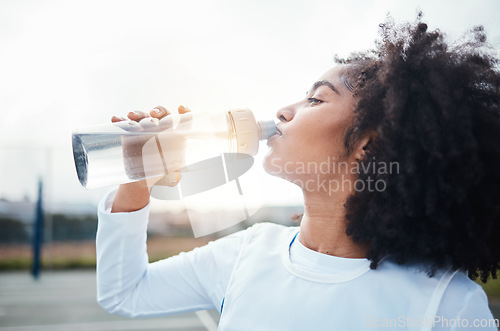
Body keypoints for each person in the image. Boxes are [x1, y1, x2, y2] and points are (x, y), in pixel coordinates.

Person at [96, 16, 500, 330]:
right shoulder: (247, 253)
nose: (283, 112)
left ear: (369, 144)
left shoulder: (447, 304)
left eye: (315, 99)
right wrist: (139, 176)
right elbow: (124, 293)